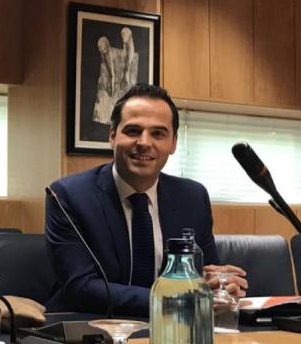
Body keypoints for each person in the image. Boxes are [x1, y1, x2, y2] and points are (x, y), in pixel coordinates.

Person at [46, 83, 247, 317]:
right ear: (112, 136)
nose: (144, 142)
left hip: (174, 331)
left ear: (172, 143)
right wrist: (174, 299)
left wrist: (219, 284)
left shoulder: (193, 197)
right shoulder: (68, 195)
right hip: (89, 331)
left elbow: (204, 273)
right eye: (132, 131)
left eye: (158, 134)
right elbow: (80, 288)